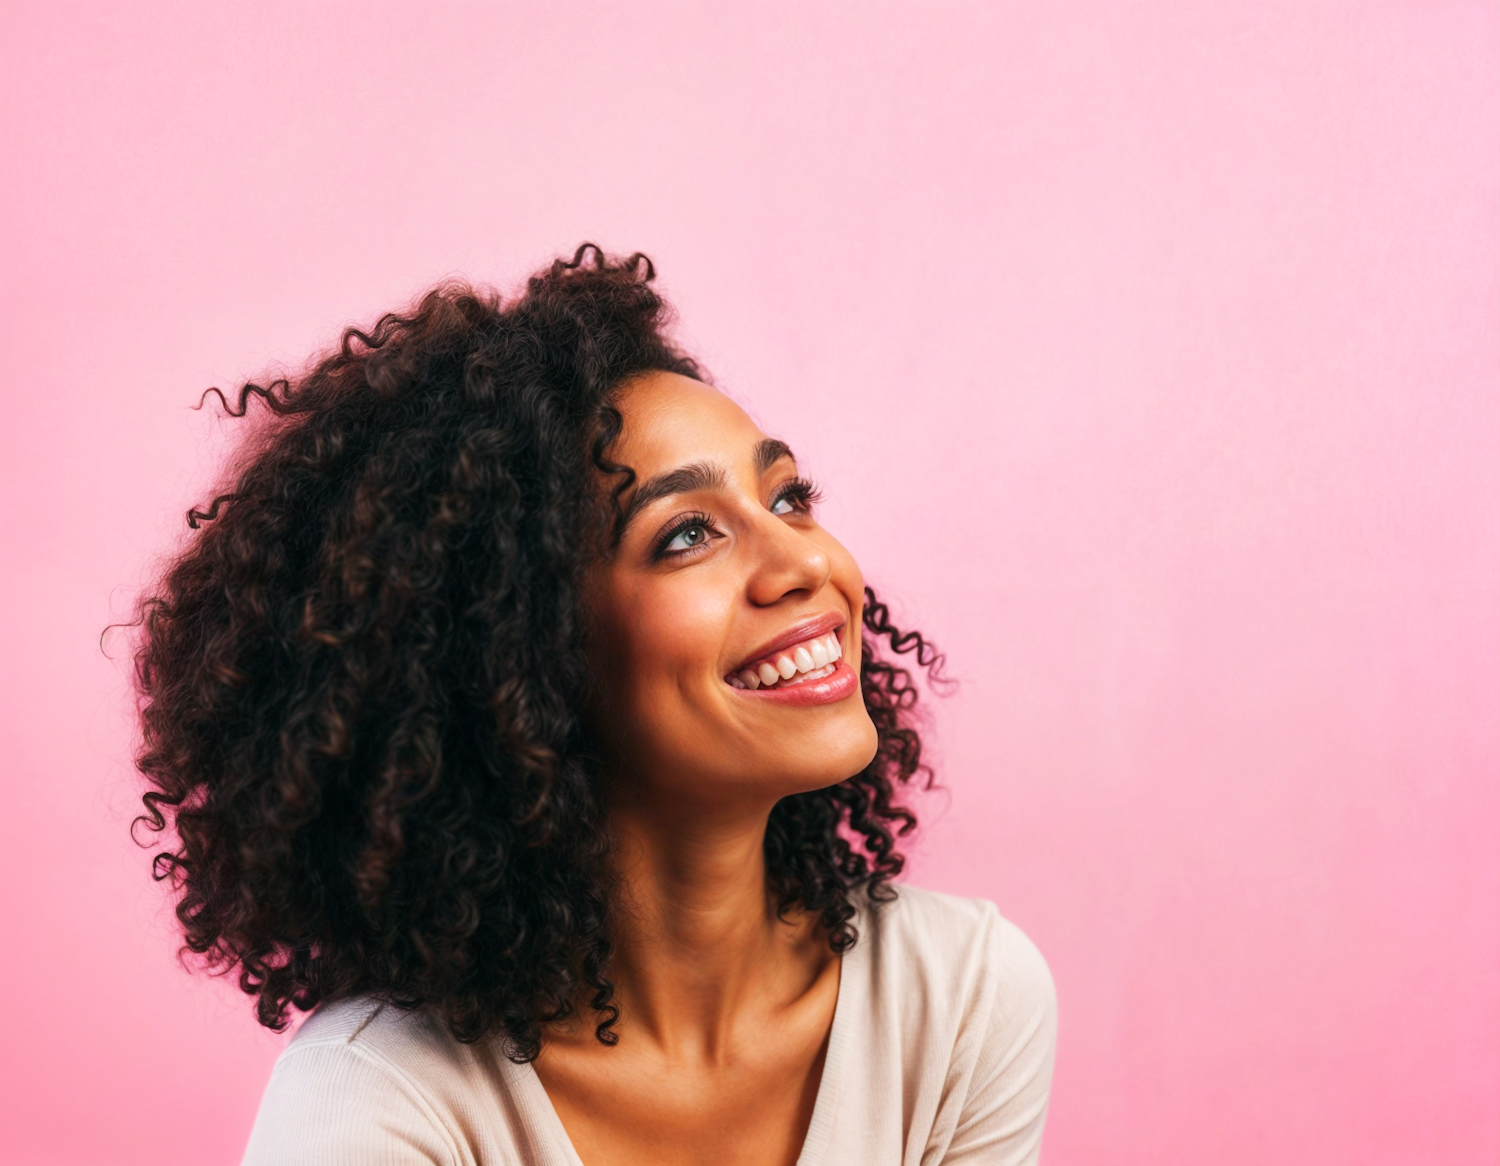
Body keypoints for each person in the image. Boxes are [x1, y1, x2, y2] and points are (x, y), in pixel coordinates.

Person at [131, 245, 1057, 1165]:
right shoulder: (380, 1107)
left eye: (790, 497)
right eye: (687, 534)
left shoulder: (959, 1004)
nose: (808, 563)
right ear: (520, 653)